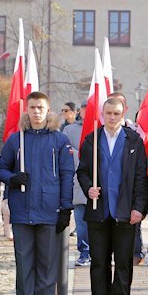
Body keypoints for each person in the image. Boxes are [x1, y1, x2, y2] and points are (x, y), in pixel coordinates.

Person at [0, 91, 75, 295]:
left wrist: (66, 208)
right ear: (26, 110)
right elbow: (0, 168)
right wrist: (12, 178)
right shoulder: (16, 139)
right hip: (22, 209)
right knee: (24, 260)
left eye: (41, 108)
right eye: (32, 108)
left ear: (48, 110)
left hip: (49, 209)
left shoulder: (59, 140)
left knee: (47, 261)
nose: (36, 112)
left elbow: (66, 174)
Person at [77, 97, 148, 295]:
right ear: (102, 114)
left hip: (125, 211)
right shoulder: (92, 140)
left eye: (116, 113)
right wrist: (89, 188)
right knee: (99, 259)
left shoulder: (134, 141)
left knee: (124, 260)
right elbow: (83, 171)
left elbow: (140, 177)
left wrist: (139, 207)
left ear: (123, 113)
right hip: (99, 210)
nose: (112, 117)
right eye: (108, 113)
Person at [62, 103, 90, 267]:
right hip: (79, 183)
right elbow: (68, 153)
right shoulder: (70, 130)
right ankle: (84, 252)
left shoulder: (102, 128)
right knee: (81, 221)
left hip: (100, 185)